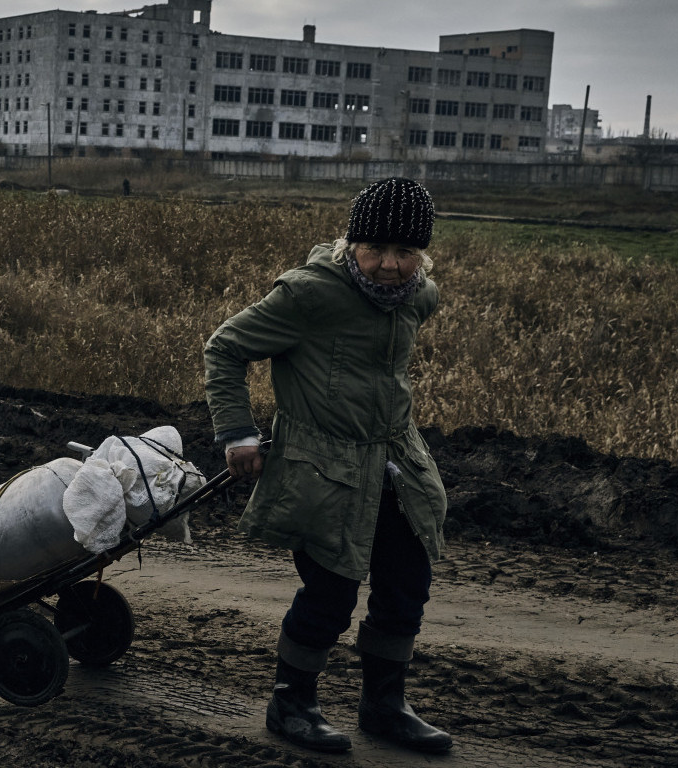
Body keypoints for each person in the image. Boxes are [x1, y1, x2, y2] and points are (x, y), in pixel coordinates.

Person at [203, 177, 453, 754]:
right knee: (330, 594)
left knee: (406, 585)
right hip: (323, 470)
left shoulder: (420, 295)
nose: (391, 265)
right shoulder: (310, 294)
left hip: (397, 462)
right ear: (351, 242)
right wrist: (238, 433)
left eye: (406, 252)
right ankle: (291, 704)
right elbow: (225, 348)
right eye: (377, 250)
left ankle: (384, 706)